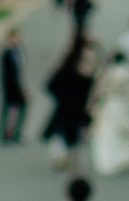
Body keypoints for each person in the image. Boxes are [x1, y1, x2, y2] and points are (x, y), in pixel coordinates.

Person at [42, 38, 99, 172]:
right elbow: (51, 86)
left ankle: (67, 157)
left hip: (79, 111)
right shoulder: (68, 73)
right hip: (65, 109)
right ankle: (59, 158)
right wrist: (64, 97)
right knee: (60, 134)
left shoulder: (90, 78)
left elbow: (93, 95)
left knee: (75, 136)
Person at [90, 56, 129, 176]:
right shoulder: (127, 73)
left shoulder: (106, 73)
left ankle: (110, 160)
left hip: (108, 106)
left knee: (108, 135)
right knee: (123, 135)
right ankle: (123, 160)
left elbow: (99, 92)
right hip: (122, 106)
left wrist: (96, 108)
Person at [0, 27, 29, 144]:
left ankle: (13, 132)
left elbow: (20, 71)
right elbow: (7, 73)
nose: (18, 39)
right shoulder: (7, 53)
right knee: (8, 108)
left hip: (17, 84)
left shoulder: (18, 51)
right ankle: (6, 133)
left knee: (20, 107)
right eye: (15, 36)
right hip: (10, 86)